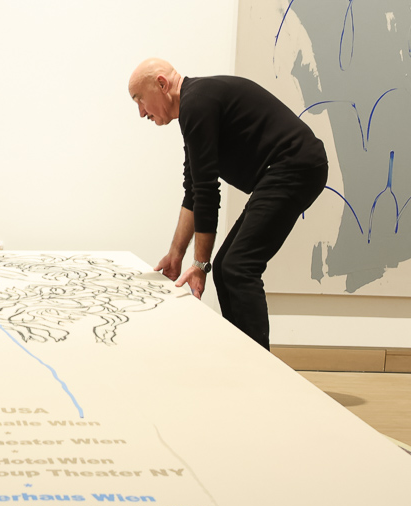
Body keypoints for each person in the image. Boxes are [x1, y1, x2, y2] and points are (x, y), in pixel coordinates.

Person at [128, 58, 327, 350]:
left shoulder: (197, 104)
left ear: (161, 84)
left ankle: (259, 367)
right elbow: (193, 189)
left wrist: (199, 264)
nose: (141, 112)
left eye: (140, 99)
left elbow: (208, 192)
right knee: (224, 266)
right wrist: (176, 255)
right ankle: (242, 356)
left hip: (296, 165)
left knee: (239, 267)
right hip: (285, 170)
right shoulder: (195, 107)